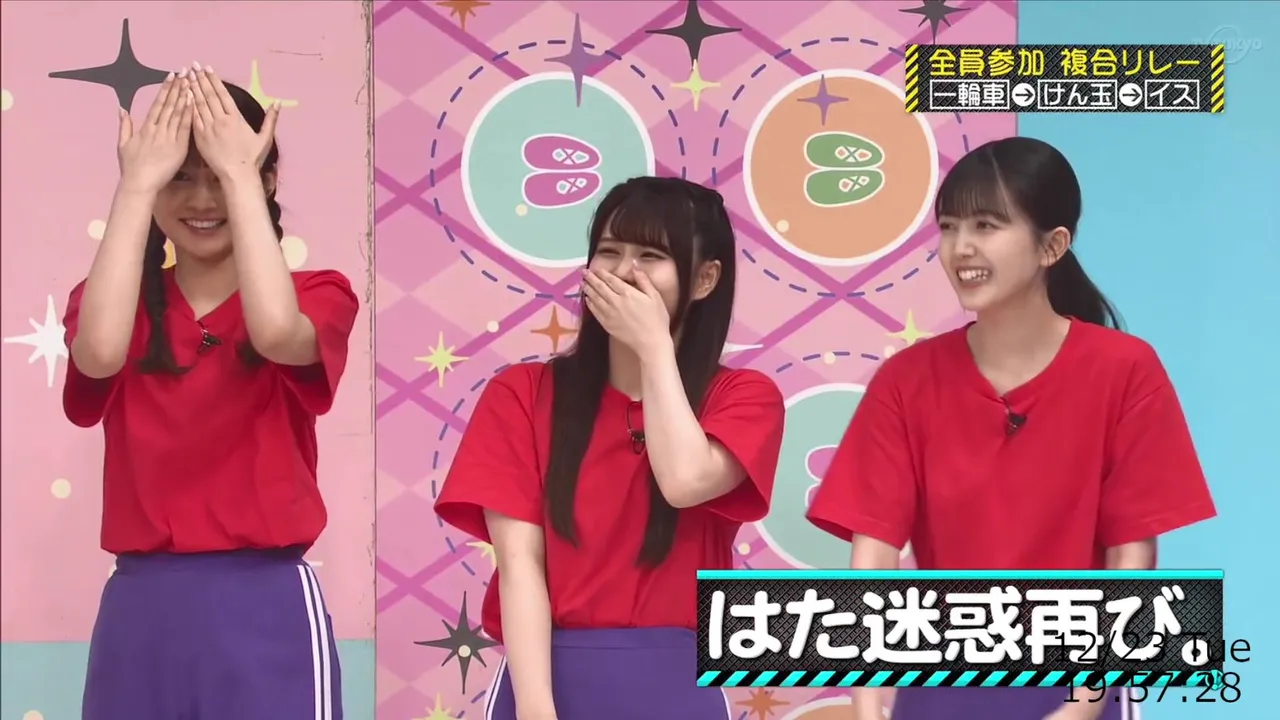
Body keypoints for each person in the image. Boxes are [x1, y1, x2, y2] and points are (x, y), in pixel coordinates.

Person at [806, 137, 1217, 720]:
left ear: (1052, 245)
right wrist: (869, 707)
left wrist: (1083, 705)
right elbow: (873, 554)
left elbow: (1133, 554)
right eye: (949, 227)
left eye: (986, 225)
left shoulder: (1125, 369)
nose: (961, 248)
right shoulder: (907, 381)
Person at [64, 64, 358, 720]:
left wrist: (241, 175)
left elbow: (277, 332)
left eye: (220, 175)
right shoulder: (111, 298)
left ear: (267, 179)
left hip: (266, 603)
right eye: (181, 175)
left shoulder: (318, 292)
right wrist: (136, 183)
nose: (202, 199)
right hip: (139, 607)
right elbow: (99, 353)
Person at [434, 176, 786, 720]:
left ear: (705, 279)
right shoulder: (522, 394)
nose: (623, 272)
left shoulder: (743, 398)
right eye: (609, 252)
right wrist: (536, 708)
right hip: (545, 681)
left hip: (675, 681)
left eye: (651, 256)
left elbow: (685, 480)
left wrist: (654, 348)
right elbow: (520, 564)